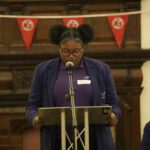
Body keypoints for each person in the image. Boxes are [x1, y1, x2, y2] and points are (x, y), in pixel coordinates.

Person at [26, 24, 121, 150]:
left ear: (83, 48)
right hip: (57, 141)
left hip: (95, 140)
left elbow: (114, 103)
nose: (71, 56)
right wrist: (34, 118)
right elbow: (32, 105)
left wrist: (114, 115)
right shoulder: (43, 70)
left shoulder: (101, 69)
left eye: (76, 51)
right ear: (59, 49)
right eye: (66, 51)